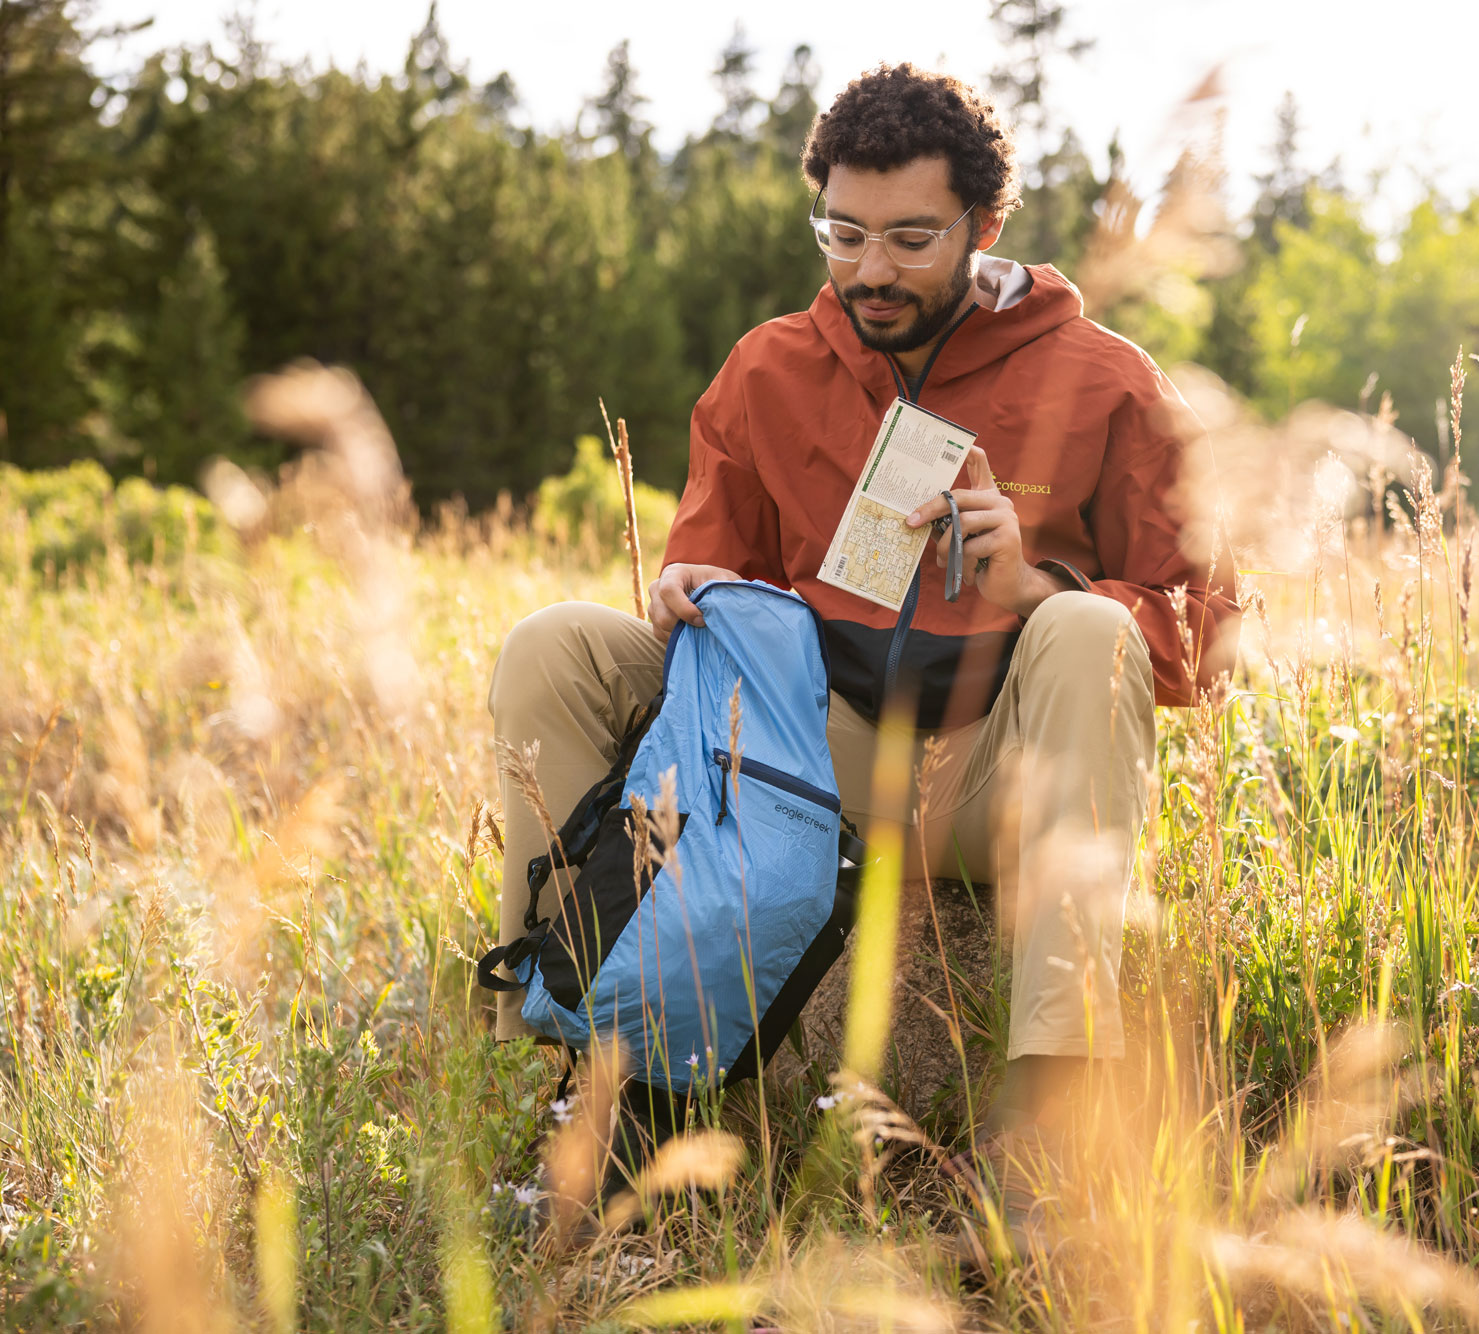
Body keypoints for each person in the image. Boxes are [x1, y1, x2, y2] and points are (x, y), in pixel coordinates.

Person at [487, 63, 1235, 1154]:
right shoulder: (769, 369)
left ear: (982, 225)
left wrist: (1039, 588)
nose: (868, 270)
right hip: (801, 762)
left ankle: (1042, 1120)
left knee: (1082, 626)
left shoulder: (1103, 380)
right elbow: (714, 580)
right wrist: (680, 590)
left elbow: (1206, 634)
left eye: (909, 239)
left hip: (991, 771)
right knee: (556, 644)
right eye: (842, 235)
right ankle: (569, 1053)